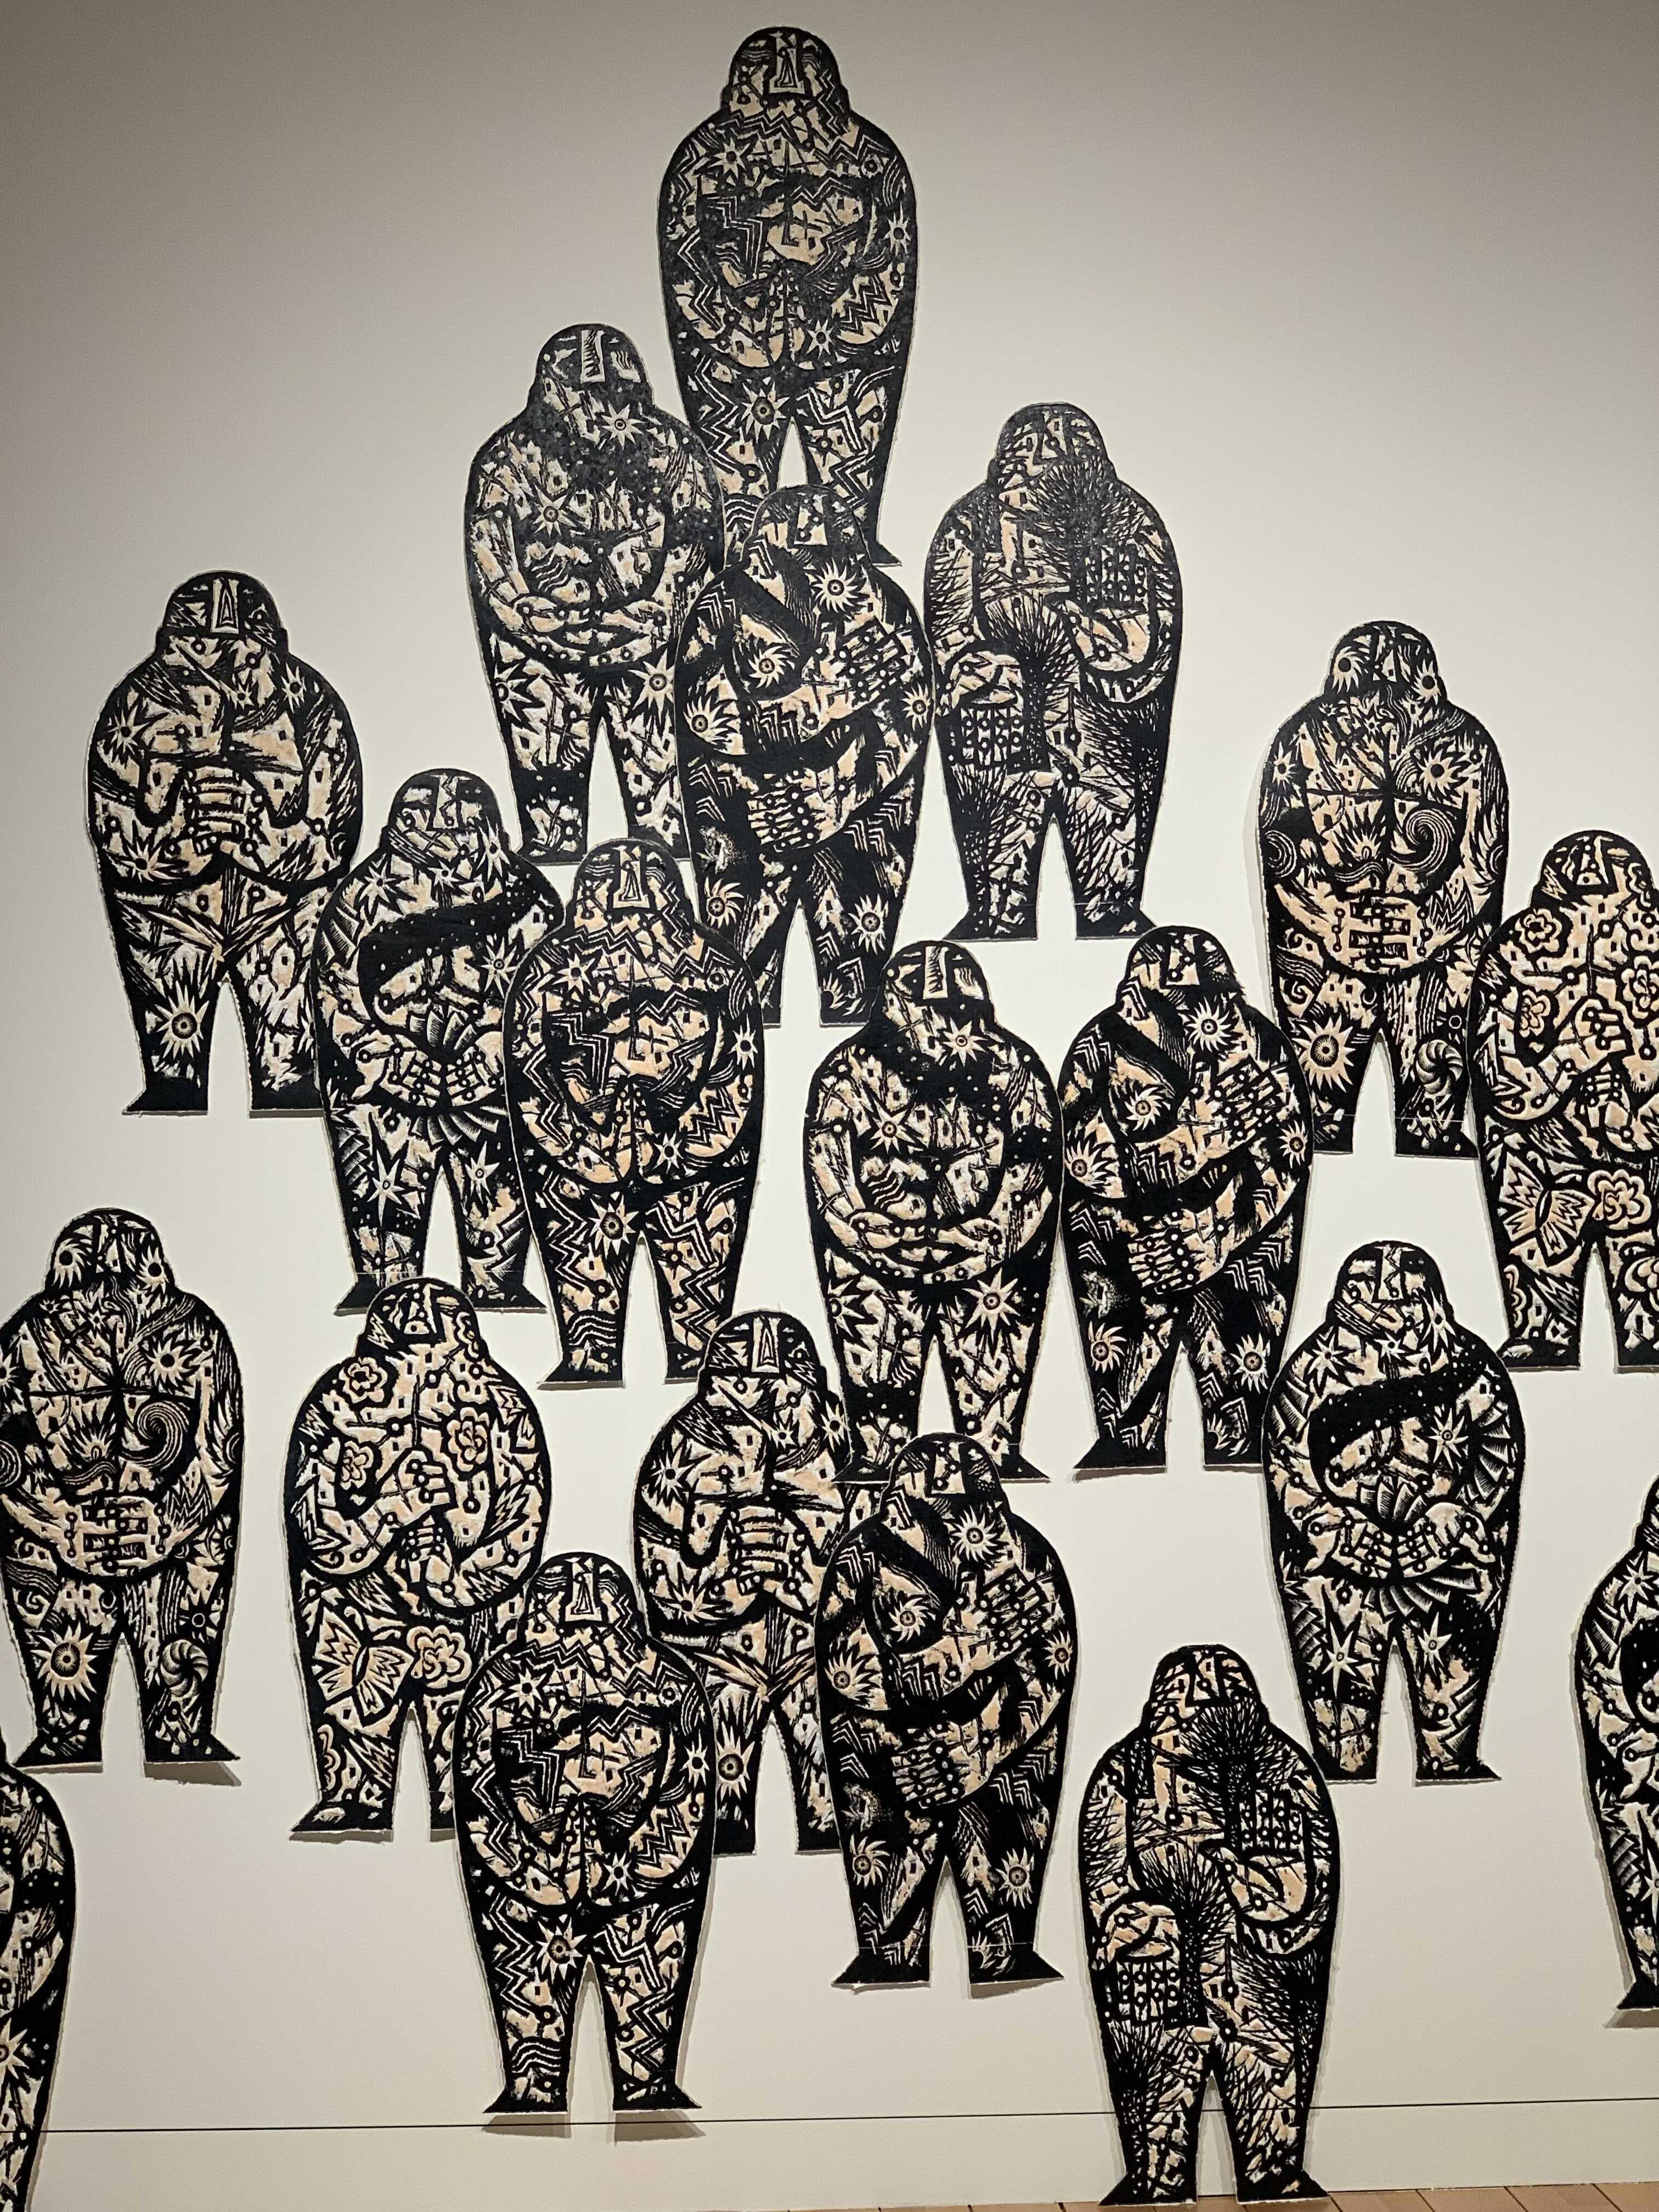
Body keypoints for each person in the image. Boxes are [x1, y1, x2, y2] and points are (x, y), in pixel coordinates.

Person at [88, 571, 361, 1112]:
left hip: (283, 911)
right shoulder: (134, 706)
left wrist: (258, 832)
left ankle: (282, 1081)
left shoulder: (312, 705)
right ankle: (176, 1086)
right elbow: (115, 833)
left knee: (289, 1071)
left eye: (239, 650)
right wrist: (181, 829)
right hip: (168, 915)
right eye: (199, 648)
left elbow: (333, 835)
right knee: (174, 1069)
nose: (219, 664)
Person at [285, 1278, 550, 1836]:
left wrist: (451, 1577)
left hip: (467, 1614)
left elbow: (519, 1528)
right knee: (351, 1716)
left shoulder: (503, 1406)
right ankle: (355, 1789)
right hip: (357, 1606)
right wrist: (392, 1508)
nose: (422, 1376)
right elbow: (316, 1530)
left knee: (472, 1757)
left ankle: (466, 1792)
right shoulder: (336, 1402)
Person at [455, 1552, 714, 2112]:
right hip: (528, 1887)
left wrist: (637, 1865)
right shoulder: (497, 1684)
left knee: (649, 2005)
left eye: (600, 1595)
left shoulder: (670, 1681)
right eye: (564, 1594)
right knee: (529, 2013)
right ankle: (532, 2087)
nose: (582, 1607)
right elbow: (479, 1795)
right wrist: (526, 1866)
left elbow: (688, 1791)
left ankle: (647, 2085)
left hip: (644, 1890)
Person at [1079, 1644, 1336, 2204]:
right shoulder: (1124, 1773)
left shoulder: (1281, 1771)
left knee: (1268, 2072)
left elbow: (1304, 1894)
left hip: (1252, 1969)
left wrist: (1244, 1883)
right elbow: (1105, 1877)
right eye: (1172, 1705)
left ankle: (1272, 2172)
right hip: (1157, 1972)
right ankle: (1155, 2179)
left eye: (1196, 1709)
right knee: (1156, 2090)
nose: (1179, 1719)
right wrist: (1128, 1917)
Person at [817, 1434, 1075, 1984]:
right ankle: (892, 1950)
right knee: (887, 1897)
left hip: (1001, 1754)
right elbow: (848, 1676)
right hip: (894, 1757)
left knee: (1005, 1896)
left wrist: (985, 1744)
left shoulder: (1027, 1555)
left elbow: (1050, 1669)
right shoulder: (863, 1556)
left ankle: (1000, 1949)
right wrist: (964, 1652)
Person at [505, 837, 763, 1384]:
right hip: (577, 1160)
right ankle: (590, 1357)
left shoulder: (716, 963)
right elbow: (529, 1070)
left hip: (696, 1165)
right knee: (583, 1287)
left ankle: (698, 1358)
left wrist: (684, 1144)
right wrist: (577, 1144)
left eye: (649, 881)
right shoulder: (548, 966)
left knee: (700, 1291)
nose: (631, 894)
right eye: (612, 882)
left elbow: (737, 1071)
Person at [1262, 1242, 1523, 1781]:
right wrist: (1345, 1533)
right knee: (1341, 1729)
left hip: (1450, 1566)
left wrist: (1459, 1516)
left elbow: (1499, 1452)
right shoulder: (1309, 1370)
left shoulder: (1472, 1365)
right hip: (1340, 1571)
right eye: (1368, 1294)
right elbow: (1289, 1465)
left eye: (1405, 1299)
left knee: (1451, 1724)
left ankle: (1450, 1772)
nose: (1387, 1309)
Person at [805, 941, 1060, 1481]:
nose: (936, 1028)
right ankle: (880, 1459)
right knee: (878, 1421)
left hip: (989, 1261)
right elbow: (829, 1171)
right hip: (875, 1262)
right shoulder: (844, 1071)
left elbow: (1034, 1167)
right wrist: (864, 1231)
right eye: (921, 1013)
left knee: (992, 1419)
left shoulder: (1016, 1067)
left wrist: (989, 1237)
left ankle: (993, 1456)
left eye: (953, 1013)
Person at [675, 485, 930, 1024]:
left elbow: (906, 720)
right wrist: (825, 702)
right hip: (750, 808)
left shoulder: (884, 606)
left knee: (857, 979)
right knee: (742, 983)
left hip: (860, 811)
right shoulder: (723, 604)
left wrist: (835, 798)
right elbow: (706, 719)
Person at [466, 324, 722, 861]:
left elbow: (695, 549)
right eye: (584, 396)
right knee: (550, 821)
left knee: (668, 819)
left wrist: (655, 611)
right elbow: (494, 572)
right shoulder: (504, 462)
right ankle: (555, 846)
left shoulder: (675, 450)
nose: (599, 411)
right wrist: (541, 620)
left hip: (654, 646)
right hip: (541, 653)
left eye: (615, 395)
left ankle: (660, 850)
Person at [927, 403, 1181, 939]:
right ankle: (996, 906)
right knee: (998, 820)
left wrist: (1077, 623)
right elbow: (950, 631)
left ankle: (1111, 903)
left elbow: (1142, 655)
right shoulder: (969, 526)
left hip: (1094, 711)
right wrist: (973, 667)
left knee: (1106, 806)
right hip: (1003, 713)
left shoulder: (1128, 528)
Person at [1060, 927, 1310, 1470]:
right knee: (1125, 1400)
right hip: (1131, 1239)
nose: (1187, 1016)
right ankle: (1128, 1435)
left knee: (1242, 1386)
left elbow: (1286, 1158)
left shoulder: (1260, 1045)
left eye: (1200, 999)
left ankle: (1237, 1436)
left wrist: (1218, 1234)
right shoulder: (1100, 1045)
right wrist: (1201, 1139)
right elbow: (1084, 1161)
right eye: (1164, 1000)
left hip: (1238, 1237)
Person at [659, 26, 916, 555]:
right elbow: (687, 266)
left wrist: (832, 328)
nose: (787, 100)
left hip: (842, 350)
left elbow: (888, 262)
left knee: (846, 490)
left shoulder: (872, 156)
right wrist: (741, 331)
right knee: (737, 500)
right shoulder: (700, 158)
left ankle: (849, 546)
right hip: (735, 352)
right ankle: (741, 556)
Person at [311, 769, 560, 1310]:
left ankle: (496, 1283)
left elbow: (553, 992)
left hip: (495, 1091)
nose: (441, 832)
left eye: (461, 822)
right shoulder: (359, 897)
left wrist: (496, 1052)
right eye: (422, 819)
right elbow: (335, 991)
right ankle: (385, 1282)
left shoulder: (530, 897)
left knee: (497, 1242)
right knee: (385, 1241)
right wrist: (389, 1060)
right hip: (384, 1093)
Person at [0, 1211, 241, 1767]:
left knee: (179, 1708)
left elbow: (218, 1448)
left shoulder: (198, 1330)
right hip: (60, 1551)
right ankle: (68, 1737)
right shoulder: (24, 1336)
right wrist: (58, 1522)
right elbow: (7, 1446)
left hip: (174, 1547)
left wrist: (169, 1524)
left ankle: (174, 1735)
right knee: (65, 1709)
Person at [1258, 620, 1506, 1155]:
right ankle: (1334, 1129)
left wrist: (1427, 926)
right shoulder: (1304, 737)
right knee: (1320, 1100)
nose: (1385, 687)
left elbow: (1481, 856)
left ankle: (1424, 1131)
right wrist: (1331, 917)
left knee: (1430, 1079)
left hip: (1424, 947)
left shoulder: (1466, 742)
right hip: (1333, 943)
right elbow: (1283, 841)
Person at [634, 1310, 865, 1853]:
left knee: (839, 1818)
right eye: (741, 1389)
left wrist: (802, 1572)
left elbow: (874, 1574)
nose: (764, 1405)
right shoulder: (681, 1448)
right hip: (716, 1660)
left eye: (780, 1390)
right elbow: (662, 1579)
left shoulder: (845, 1447)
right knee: (715, 1822)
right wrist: (726, 1572)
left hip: (820, 1658)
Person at [1471, 830, 1659, 1367]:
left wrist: (1630, 1121)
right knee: (1533, 1232)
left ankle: (1646, 1320)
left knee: (1645, 1258)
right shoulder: (1514, 954)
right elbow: (1499, 1081)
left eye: (1616, 917)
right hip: (1540, 1150)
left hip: (1637, 1148)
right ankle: (1542, 1323)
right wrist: (1572, 1054)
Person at [1575, 1476, 1659, 2011]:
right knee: (1640, 1859)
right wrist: (1636, 1752)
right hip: (1640, 1773)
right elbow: (1602, 1690)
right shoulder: (1623, 1598)